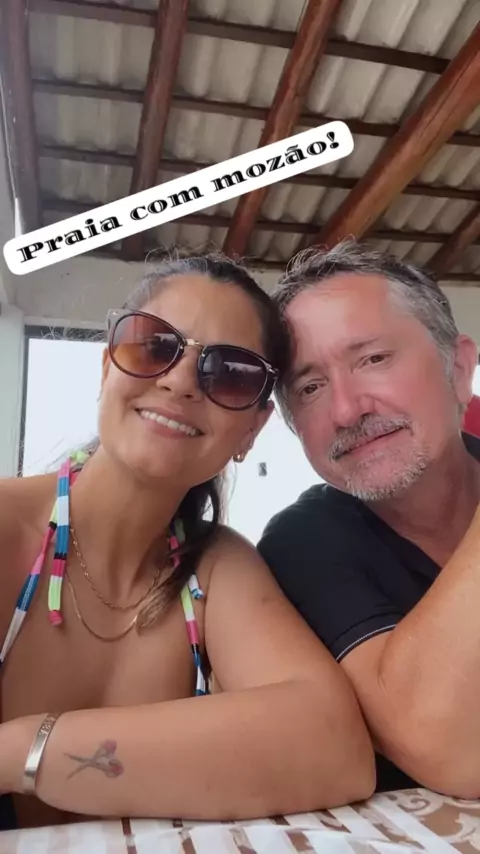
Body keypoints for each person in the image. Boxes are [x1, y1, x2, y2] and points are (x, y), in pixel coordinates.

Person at [0, 253, 375, 831]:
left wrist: (18, 751)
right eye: (153, 346)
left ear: (251, 430)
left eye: (230, 372)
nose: (178, 381)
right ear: (106, 368)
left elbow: (336, 750)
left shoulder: (216, 568)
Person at [258, 240, 480, 798]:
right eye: (309, 387)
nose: (346, 410)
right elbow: (444, 749)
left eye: (374, 359)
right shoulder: (304, 544)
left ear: (458, 369)